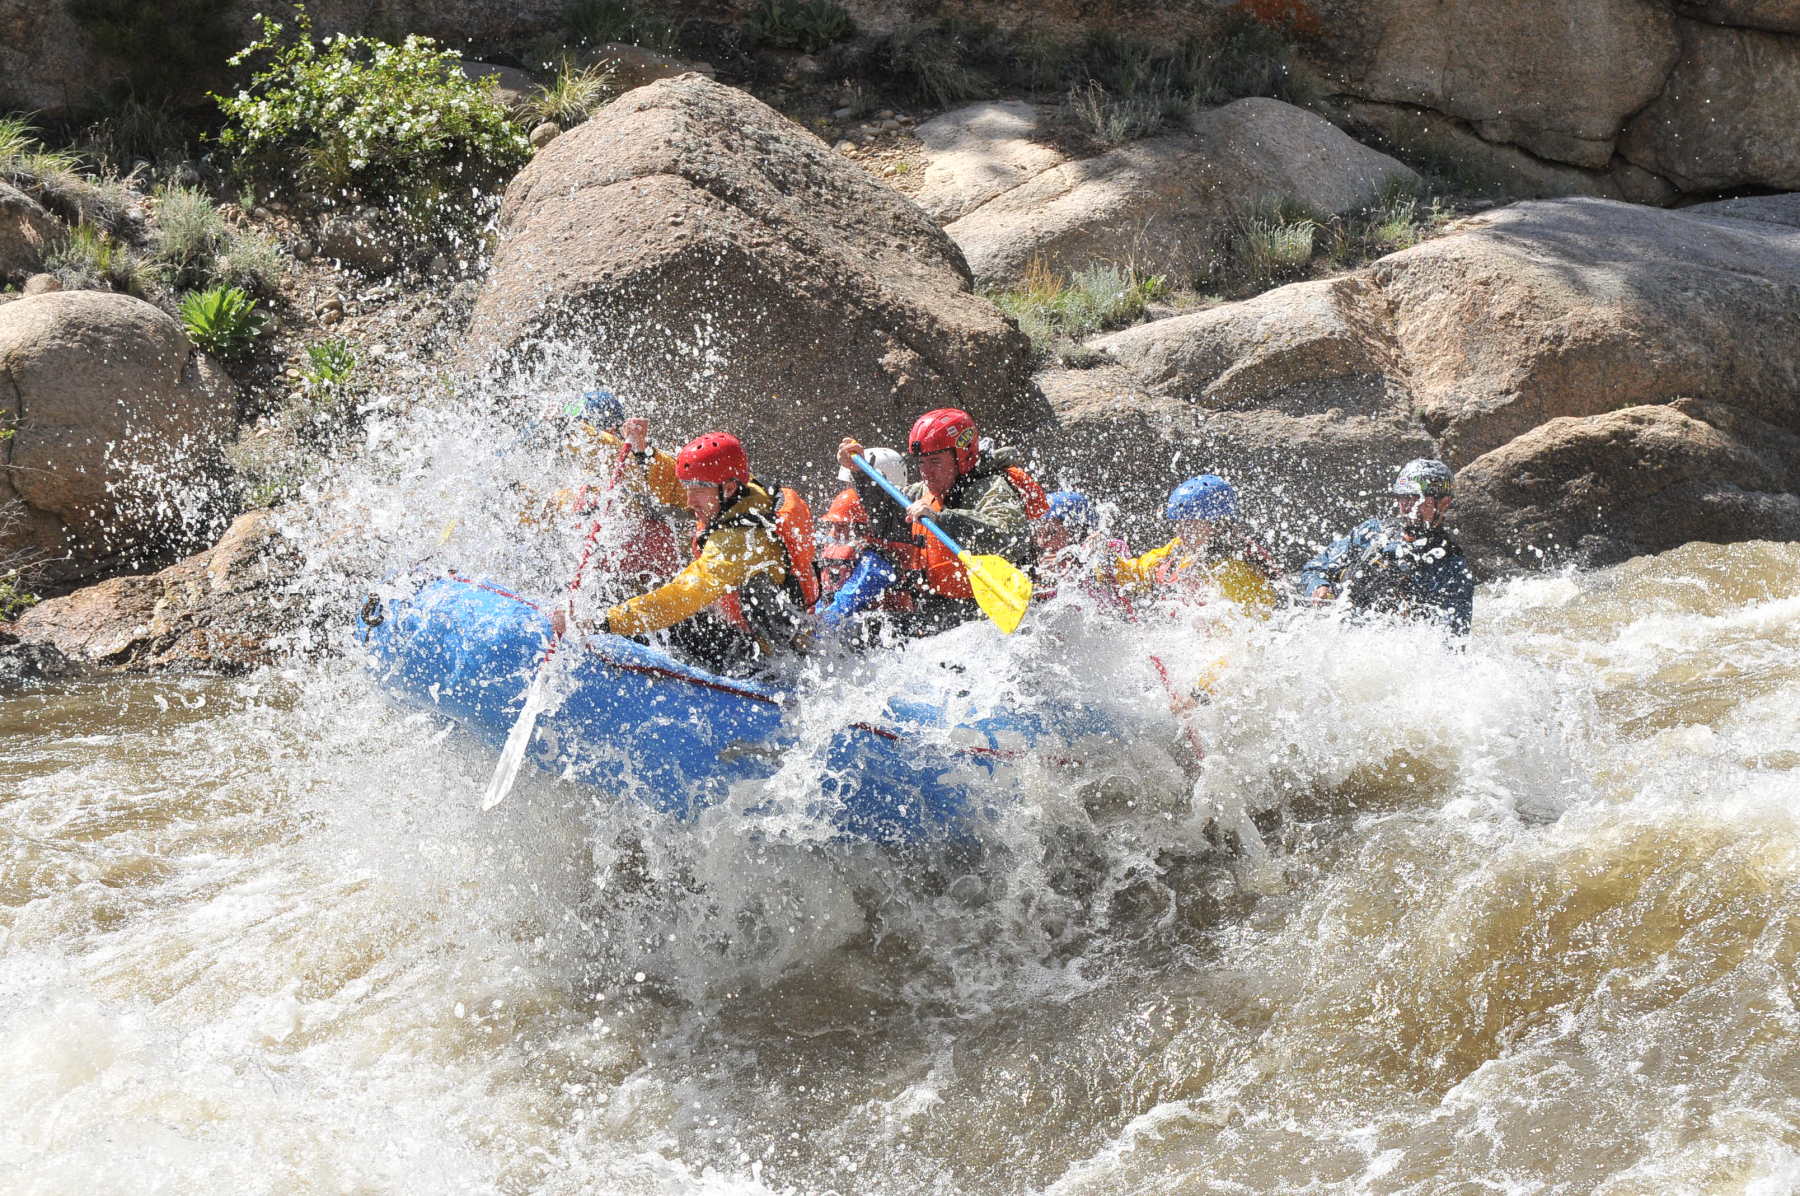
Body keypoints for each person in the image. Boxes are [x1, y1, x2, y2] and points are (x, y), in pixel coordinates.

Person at [554, 429, 820, 676]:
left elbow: (681, 596)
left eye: (697, 492)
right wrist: (642, 450)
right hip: (753, 633)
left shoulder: (742, 543)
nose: (689, 501)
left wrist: (601, 623)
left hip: (766, 657)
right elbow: (675, 483)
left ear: (727, 488)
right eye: (689, 490)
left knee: (664, 625)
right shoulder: (740, 492)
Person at [1297, 457, 1475, 635]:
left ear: (1444, 503)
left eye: (1416, 498)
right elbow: (1314, 568)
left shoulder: (1453, 567)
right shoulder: (1371, 533)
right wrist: (1318, 587)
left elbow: (1452, 643)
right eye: (1402, 497)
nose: (1406, 506)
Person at [1112, 475, 1279, 617]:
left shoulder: (1232, 572)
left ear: (1217, 526)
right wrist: (1110, 561)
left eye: (1190, 524)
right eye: (1179, 523)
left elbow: (1235, 638)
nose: (1181, 531)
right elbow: (1140, 571)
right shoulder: (1180, 549)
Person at [814, 446, 919, 641]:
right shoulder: (852, 537)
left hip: (891, 630)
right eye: (836, 526)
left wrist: (815, 634)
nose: (837, 533)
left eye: (843, 526)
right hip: (851, 625)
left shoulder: (879, 554)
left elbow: (848, 600)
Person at [1031, 490, 1127, 611]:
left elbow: (1106, 546)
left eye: (1052, 533)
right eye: (1038, 533)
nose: (1042, 542)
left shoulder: (1105, 551)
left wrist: (1076, 557)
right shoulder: (1049, 575)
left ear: (1077, 532)